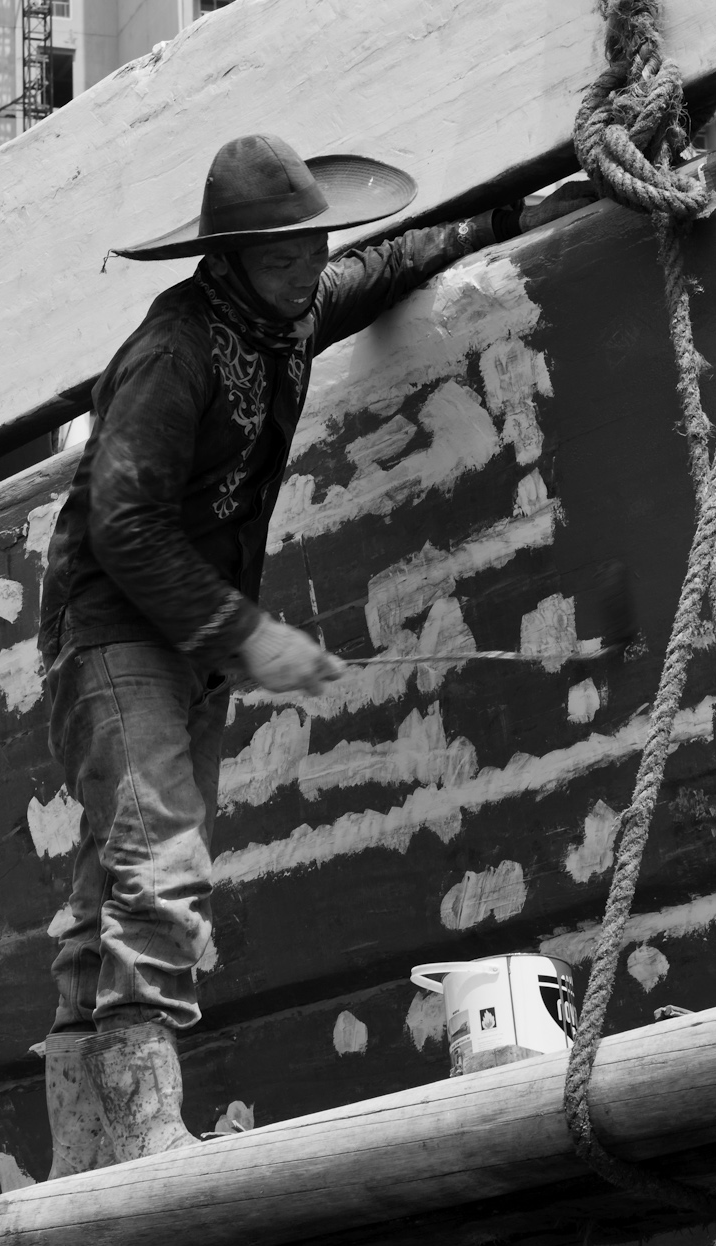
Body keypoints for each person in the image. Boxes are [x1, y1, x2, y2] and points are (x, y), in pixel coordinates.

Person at [37, 134, 593, 1177]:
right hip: (113, 629)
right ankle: (143, 1128)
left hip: (187, 638)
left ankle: (81, 1149)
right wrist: (247, 634)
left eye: (313, 249)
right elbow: (122, 523)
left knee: (112, 874)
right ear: (231, 257)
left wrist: (510, 217)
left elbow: (385, 267)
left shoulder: (286, 312)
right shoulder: (174, 353)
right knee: (160, 859)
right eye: (284, 256)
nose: (307, 269)